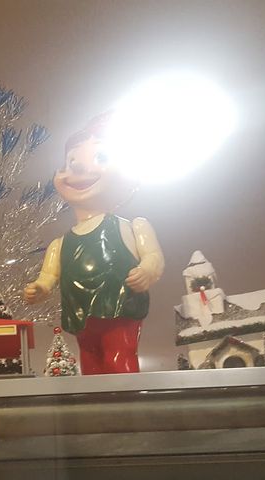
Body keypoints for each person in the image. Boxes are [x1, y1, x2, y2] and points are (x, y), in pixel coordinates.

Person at [25, 113, 164, 375]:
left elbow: (153, 257)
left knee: (119, 358)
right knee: (89, 362)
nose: (78, 169)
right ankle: (98, 400)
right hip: (80, 312)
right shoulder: (60, 244)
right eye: (72, 161)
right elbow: (48, 276)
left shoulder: (133, 227)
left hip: (120, 307)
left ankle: (125, 399)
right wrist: (40, 288)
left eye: (100, 158)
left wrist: (147, 271)